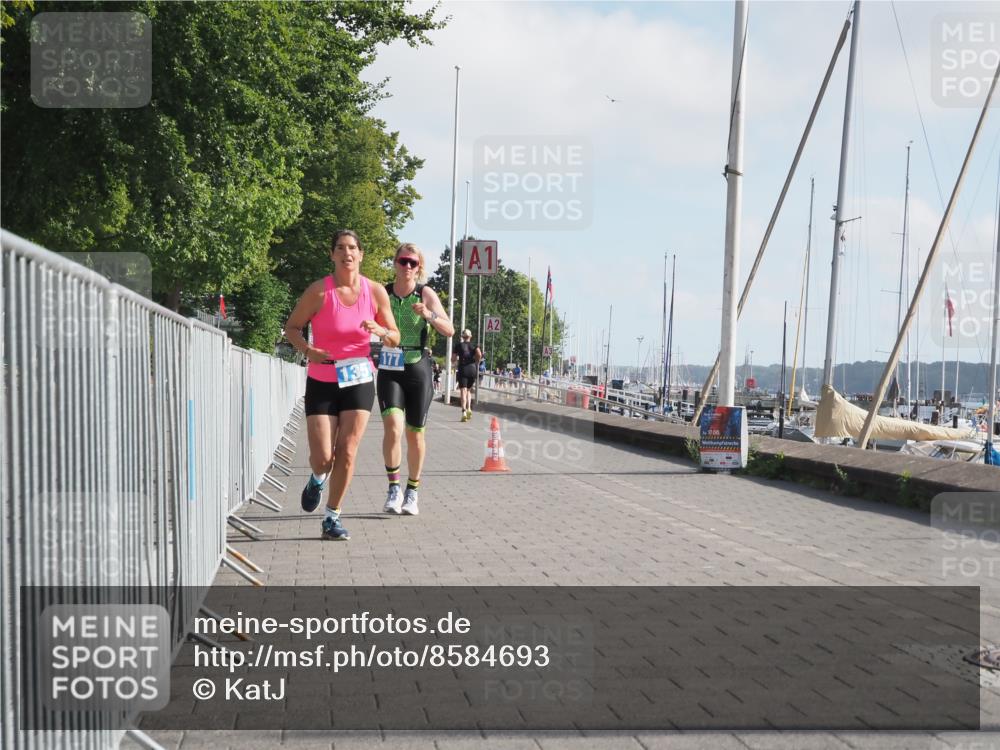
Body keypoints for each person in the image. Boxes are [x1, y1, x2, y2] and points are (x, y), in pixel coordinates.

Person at [285, 230, 399, 541]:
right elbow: (292, 328)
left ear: (361, 254)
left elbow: (395, 336)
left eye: (352, 248)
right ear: (332, 254)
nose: (347, 253)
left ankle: (332, 517)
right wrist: (308, 350)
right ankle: (317, 478)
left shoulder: (375, 292)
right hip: (322, 379)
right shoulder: (319, 291)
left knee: (347, 451)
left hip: (358, 379)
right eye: (340, 248)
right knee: (324, 458)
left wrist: (381, 331)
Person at [377, 243, 454, 516]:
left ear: (419, 267)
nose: (407, 267)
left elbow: (449, 329)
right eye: (403, 261)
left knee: (415, 433)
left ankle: (412, 491)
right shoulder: (383, 292)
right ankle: (394, 488)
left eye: (413, 263)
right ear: (395, 263)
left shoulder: (425, 293)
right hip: (390, 366)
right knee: (393, 427)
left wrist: (429, 315)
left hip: (417, 366)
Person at [452, 329, 481, 422]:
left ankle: (464, 411)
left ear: (462, 337)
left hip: (463, 369)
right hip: (472, 369)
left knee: (463, 391)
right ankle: (469, 408)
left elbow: (453, 358)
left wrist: (454, 361)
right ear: (470, 336)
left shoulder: (458, 345)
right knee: (468, 390)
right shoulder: (474, 345)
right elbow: (479, 353)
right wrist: (477, 361)